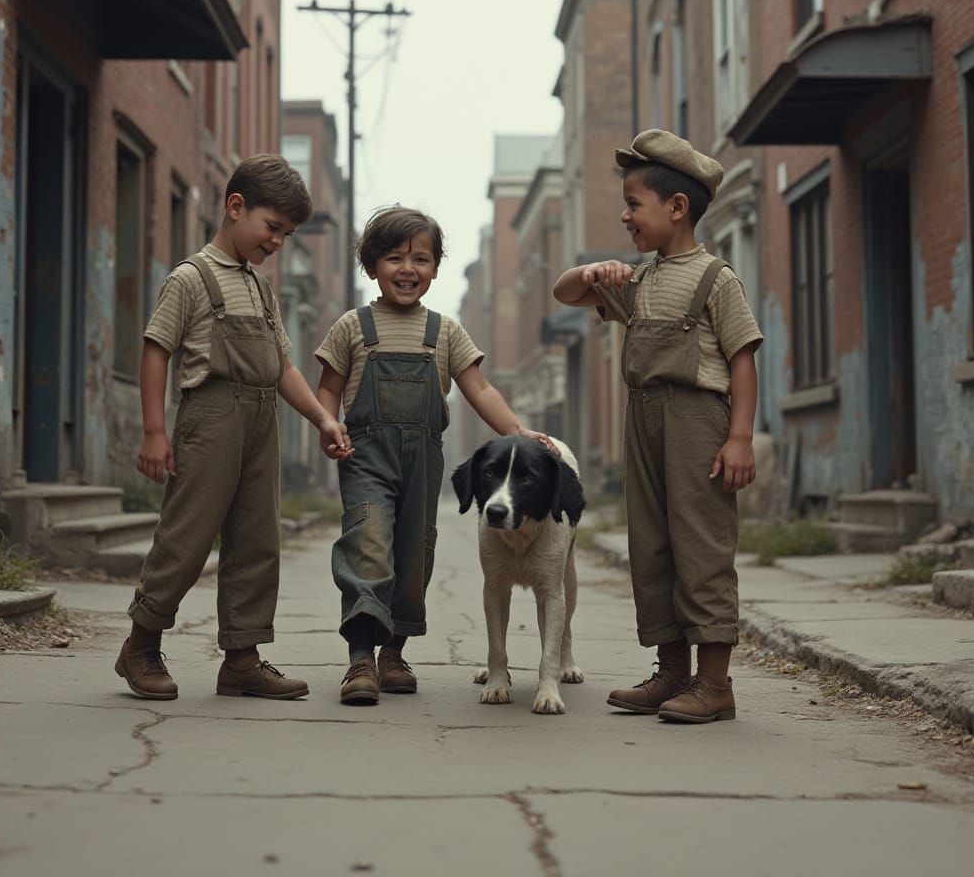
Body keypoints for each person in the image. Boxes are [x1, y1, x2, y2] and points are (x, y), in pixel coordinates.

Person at [116, 153, 352, 701]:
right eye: (273, 229)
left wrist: (322, 417)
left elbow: (283, 367)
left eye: (287, 235)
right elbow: (156, 350)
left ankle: (242, 658)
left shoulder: (262, 288)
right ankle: (141, 644)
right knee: (188, 534)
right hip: (211, 415)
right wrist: (155, 430)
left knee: (256, 538)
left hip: (261, 418)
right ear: (236, 206)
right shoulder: (191, 277)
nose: (277, 243)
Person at [553, 130, 763, 723]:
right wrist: (594, 271)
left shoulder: (715, 278)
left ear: (677, 208)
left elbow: (743, 358)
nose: (625, 216)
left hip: (699, 420)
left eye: (633, 205)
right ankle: (672, 672)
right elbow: (564, 292)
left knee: (702, 543)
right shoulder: (636, 281)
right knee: (651, 545)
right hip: (642, 420)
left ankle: (714, 683)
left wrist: (740, 436)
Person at [315, 206, 552, 705]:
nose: (408, 269)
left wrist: (516, 431)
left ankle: (394, 654)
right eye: (394, 257)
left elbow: (479, 388)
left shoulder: (444, 332)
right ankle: (360, 659)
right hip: (365, 457)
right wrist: (327, 422)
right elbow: (329, 388)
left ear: (436, 268)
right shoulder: (351, 327)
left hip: (423, 460)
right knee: (368, 541)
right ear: (371, 265)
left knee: (413, 552)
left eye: (421, 259)